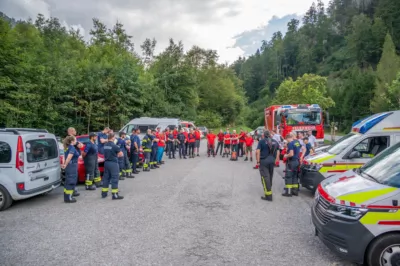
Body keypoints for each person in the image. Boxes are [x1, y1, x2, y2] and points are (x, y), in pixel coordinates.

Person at [256, 130, 280, 201]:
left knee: (265, 177)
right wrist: (276, 160)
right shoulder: (275, 142)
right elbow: (278, 152)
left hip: (264, 161)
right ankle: (269, 189)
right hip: (272, 160)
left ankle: (268, 196)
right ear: (270, 135)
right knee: (270, 176)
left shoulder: (261, 141)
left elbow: (257, 151)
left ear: (263, 135)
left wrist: (258, 161)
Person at [102, 133, 124, 200]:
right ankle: (115, 195)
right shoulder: (115, 146)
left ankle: (104, 193)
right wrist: (116, 155)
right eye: (114, 137)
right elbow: (121, 154)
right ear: (112, 137)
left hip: (106, 163)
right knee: (114, 178)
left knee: (106, 178)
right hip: (113, 163)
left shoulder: (105, 145)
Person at [61, 136, 80, 203]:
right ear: (72, 141)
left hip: (69, 166)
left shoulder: (66, 147)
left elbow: (64, 156)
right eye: (75, 140)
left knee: (67, 181)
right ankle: (69, 198)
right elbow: (69, 157)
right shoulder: (72, 148)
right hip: (72, 166)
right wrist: (65, 164)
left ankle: (67, 196)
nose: (76, 141)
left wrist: (64, 164)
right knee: (71, 181)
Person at [66, 127, 83, 197]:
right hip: (72, 161)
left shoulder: (68, 139)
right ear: (71, 131)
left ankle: (70, 192)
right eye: (74, 131)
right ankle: (71, 192)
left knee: (71, 177)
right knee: (72, 177)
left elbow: (81, 145)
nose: (76, 132)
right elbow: (80, 145)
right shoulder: (71, 140)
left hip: (72, 161)